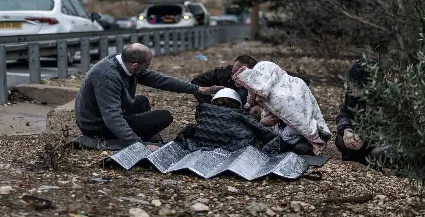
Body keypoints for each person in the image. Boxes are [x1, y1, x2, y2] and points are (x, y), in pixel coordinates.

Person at [74, 43, 222, 147]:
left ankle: (142, 131)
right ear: (135, 65)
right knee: (164, 117)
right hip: (95, 125)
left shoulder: (125, 63)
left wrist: (197, 89)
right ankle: (136, 137)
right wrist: (137, 144)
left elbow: (161, 80)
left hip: (101, 114)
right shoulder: (108, 76)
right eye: (147, 66)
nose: (147, 69)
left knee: (142, 102)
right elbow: (112, 117)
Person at [234, 61, 332, 156]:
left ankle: (305, 145)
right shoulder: (276, 87)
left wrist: (281, 136)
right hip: (283, 127)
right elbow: (251, 100)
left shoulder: (282, 95)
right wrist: (262, 122)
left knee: (294, 149)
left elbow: (299, 121)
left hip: (302, 132)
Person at [177, 88, 276, 152]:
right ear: (237, 103)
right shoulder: (239, 113)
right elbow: (261, 131)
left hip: (203, 145)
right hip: (233, 147)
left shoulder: (203, 111)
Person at [191, 55, 312, 107]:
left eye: (240, 74)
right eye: (233, 72)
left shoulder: (264, 74)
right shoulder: (222, 73)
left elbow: (303, 81)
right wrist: (206, 103)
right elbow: (195, 82)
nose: (235, 76)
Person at [334, 59, 388, 165]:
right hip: (361, 138)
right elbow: (344, 114)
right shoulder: (352, 94)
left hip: (382, 142)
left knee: (377, 153)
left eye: (354, 84)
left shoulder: (389, 98)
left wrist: (365, 139)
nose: (350, 87)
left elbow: (389, 132)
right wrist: (347, 129)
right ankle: (358, 159)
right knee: (341, 139)